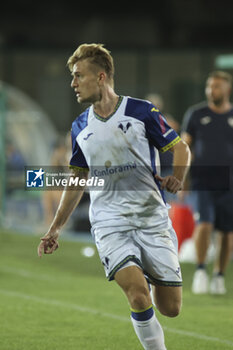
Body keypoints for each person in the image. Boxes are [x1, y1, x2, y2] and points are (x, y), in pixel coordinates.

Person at [37, 43, 191, 350]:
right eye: (73, 76)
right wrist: (55, 227)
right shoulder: (80, 127)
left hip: (152, 219)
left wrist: (177, 178)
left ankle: (143, 267)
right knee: (137, 294)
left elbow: (180, 148)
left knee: (171, 308)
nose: (73, 83)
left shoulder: (141, 112)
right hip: (110, 224)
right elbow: (77, 179)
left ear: (102, 77)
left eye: (79, 75)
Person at [181, 71, 233, 295]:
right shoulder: (195, 114)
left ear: (227, 89)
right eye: (209, 86)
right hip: (203, 180)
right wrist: (181, 177)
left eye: (217, 87)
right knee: (204, 224)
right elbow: (184, 147)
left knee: (227, 232)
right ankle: (201, 270)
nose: (212, 91)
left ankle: (219, 275)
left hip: (229, 183)